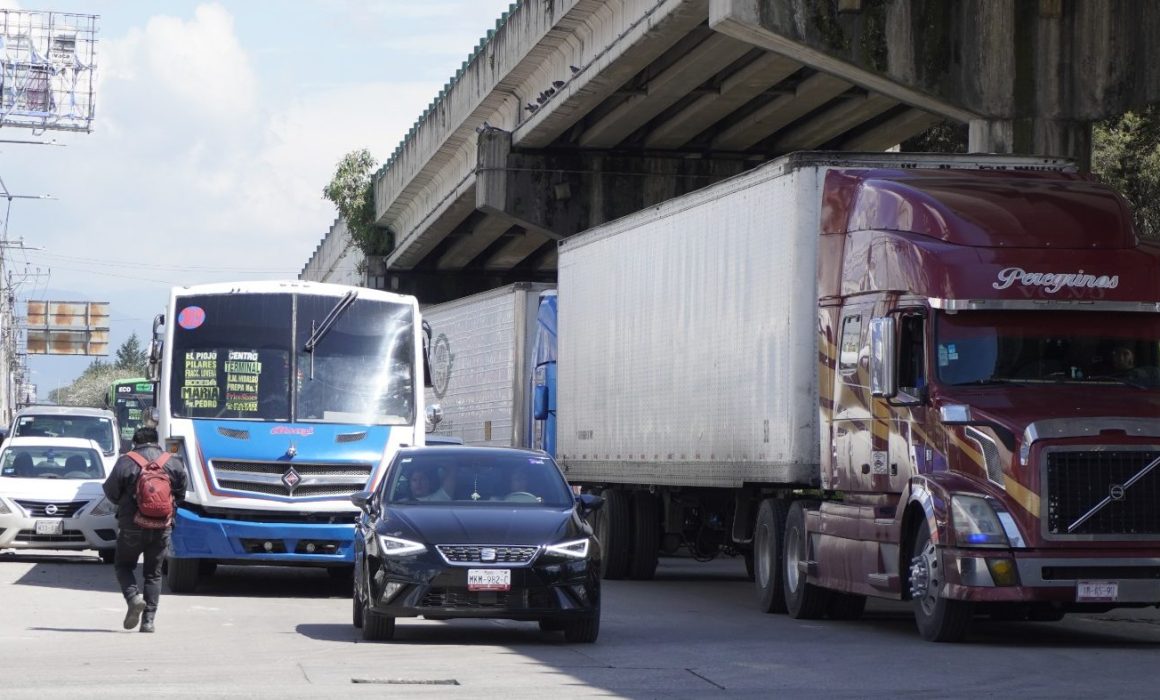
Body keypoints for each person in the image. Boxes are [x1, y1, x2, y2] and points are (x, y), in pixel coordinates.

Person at [102, 426, 187, 633]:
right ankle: (148, 621)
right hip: (161, 527)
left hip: (131, 525)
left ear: (135, 442)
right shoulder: (172, 462)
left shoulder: (126, 461)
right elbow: (181, 493)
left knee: (123, 566)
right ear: (156, 441)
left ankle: (133, 598)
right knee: (153, 574)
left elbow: (111, 493)